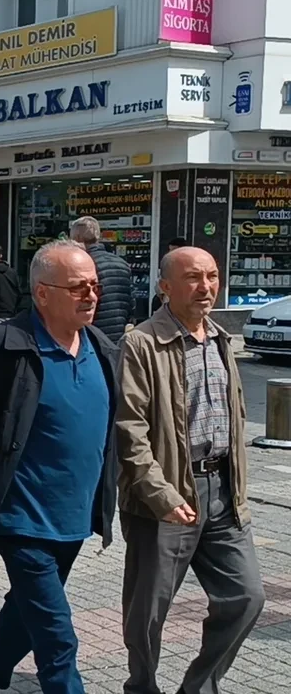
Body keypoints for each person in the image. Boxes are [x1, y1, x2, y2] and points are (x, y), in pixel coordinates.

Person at [0, 240, 119, 694]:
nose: (90, 295)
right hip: (20, 517)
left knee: (26, 610)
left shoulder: (105, 350)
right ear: (42, 293)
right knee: (57, 634)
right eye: (77, 287)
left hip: (75, 516)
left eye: (94, 285)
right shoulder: (1, 349)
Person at [117, 246, 264, 694]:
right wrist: (161, 495)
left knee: (247, 597)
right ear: (165, 287)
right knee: (148, 612)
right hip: (166, 497)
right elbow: (129, 429)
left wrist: (237, 486)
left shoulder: (221, 339)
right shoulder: (142, 342)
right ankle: (141, 687)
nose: (206, 287)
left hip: (223, 491)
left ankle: (199, 686)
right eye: (193, 278)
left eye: (213, 276)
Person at [69, 216, 133, 342]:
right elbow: (131, 302)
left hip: (91, 335)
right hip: (118, 335)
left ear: (77, 238)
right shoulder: (122, 264)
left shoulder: (84, 265)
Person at [149, 236, 190, 313]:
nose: (170, 253)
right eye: (170, 250)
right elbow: (159, 286)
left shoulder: (189, 266)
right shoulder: (167, 265)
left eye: (173, 250)